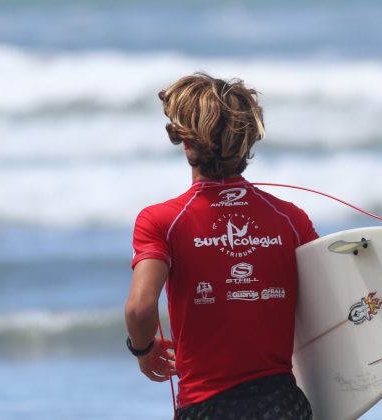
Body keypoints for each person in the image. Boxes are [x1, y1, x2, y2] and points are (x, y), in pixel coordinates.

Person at [125, 73, 318, 419]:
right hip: (283, 405)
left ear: (186, 143)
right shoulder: (291, 219)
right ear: (246, 142)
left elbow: (140, 309)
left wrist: (142, 349)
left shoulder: (161, 221)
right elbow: (327, 301)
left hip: (207, 407)